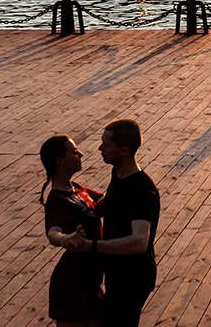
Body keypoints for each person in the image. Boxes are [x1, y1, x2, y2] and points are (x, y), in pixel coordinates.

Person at [66, 119, 160, 326]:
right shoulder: (120, 173)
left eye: (106, 145)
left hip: (133, 277)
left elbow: (139, 242)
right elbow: (113, 200)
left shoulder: (142, 191)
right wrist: (85, 210)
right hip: (117, 271)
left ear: (124, 150)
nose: (100, 149)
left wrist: (92, 247)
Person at [39, 135, 104, 327]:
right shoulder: (57, 200)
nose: (80, 154)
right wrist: (65, 239)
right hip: (72, 285)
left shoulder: (76, 190)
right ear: (60, 160)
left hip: (89, 280)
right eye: (74, 152)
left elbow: (105, 203)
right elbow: (53, 231)